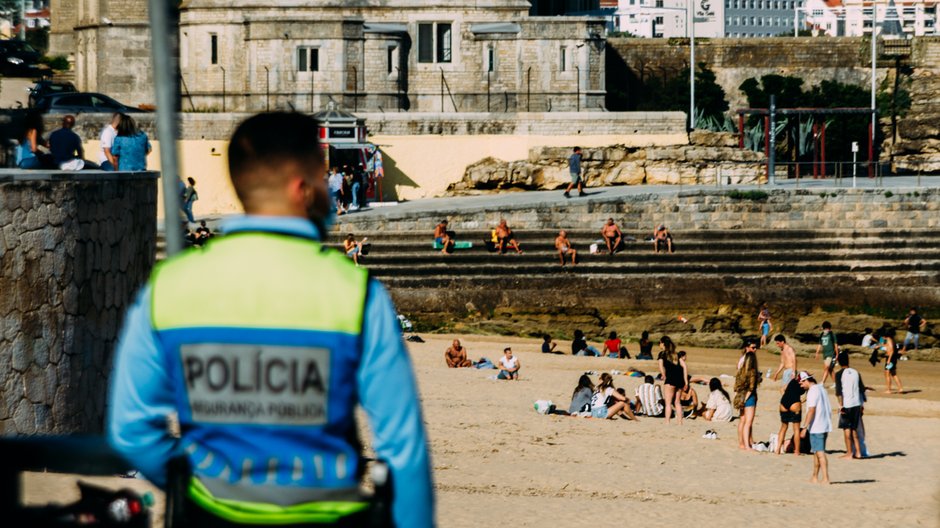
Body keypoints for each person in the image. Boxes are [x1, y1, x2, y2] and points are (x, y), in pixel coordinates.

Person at [107, 112, 434, 527]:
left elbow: (131, 431)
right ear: (303, 189)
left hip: (209, 513)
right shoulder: (356, 294)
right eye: (323, 180)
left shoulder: (168, 289)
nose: (328, 193)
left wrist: (196, 482)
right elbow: (403, 449)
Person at [800, 371, 832, 484]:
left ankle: (826, 478)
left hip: (817, 426)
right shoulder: (821, 388)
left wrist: (804, 427)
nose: (801, 386)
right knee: (816, 452)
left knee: (820, 453)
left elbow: (811, 410)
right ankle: (814, 476)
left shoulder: (812, 391)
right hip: (824, 424)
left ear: (806, 380)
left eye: (801, 383)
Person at [835, 352, 865, 459]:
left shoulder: (839, 374)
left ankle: (849, 452)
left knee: (846, 430)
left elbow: (839, 392)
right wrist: (862, 405)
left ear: (838, 361)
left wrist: (840, 405)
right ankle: (858, 452)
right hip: (857, 404)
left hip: (847, 405)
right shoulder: (856, 372)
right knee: (854, 429)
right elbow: (862, 390)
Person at [657, 336, 687, 424]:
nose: (659, 345)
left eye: (660, 343)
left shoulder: (662, 354)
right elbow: (684, 366)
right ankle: (680, 422)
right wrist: (686, 381)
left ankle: (667, 421)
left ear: (663, 343)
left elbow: (660, 366)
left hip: (670, 379)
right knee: (677, 402)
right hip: (679, 379)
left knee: (668, 403)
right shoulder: (676, 354)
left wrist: (663, 375)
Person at [734, 348, 760, 450]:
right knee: (748, 422)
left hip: (740, 396)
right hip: (749, 398)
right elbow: (751, 388)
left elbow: (736, 387)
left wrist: (740, 398)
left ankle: (741, 443)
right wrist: (746, 399)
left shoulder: (741, 371)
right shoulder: (752, 371)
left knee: (742, 421)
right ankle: (747, 445)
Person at [775, 377, 804, 455]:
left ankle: (777, 449)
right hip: (795, 403)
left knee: (783, 427)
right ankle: (797, 451)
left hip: (784, 402)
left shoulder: (793, 380)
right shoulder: (805, 383)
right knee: (796, 429)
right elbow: (809, 395)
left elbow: (781, 389)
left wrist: (787, 397)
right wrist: (803, 401)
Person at [815, 321, 840, 387]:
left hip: (831, 354)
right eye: (825, 328)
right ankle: (836, 383)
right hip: (825, 354)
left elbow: (835, 344)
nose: (827, 330)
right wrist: (817, 353)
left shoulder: (832, 335)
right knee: (830, 369)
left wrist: (837, 354)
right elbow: (819, 344)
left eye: (828, 328)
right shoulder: (821, 335)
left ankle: (822, 383)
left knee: (826, 368)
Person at [880, 328, 903, 394]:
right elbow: (889, 347)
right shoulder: (891, 340)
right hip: (893, 359)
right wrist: (880, 346)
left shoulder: (889, 340)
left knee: (887, 374)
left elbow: (892, 350)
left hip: (890, 359)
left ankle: (888, 390)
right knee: (893, 374)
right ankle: (900, 388)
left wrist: (889, 360)